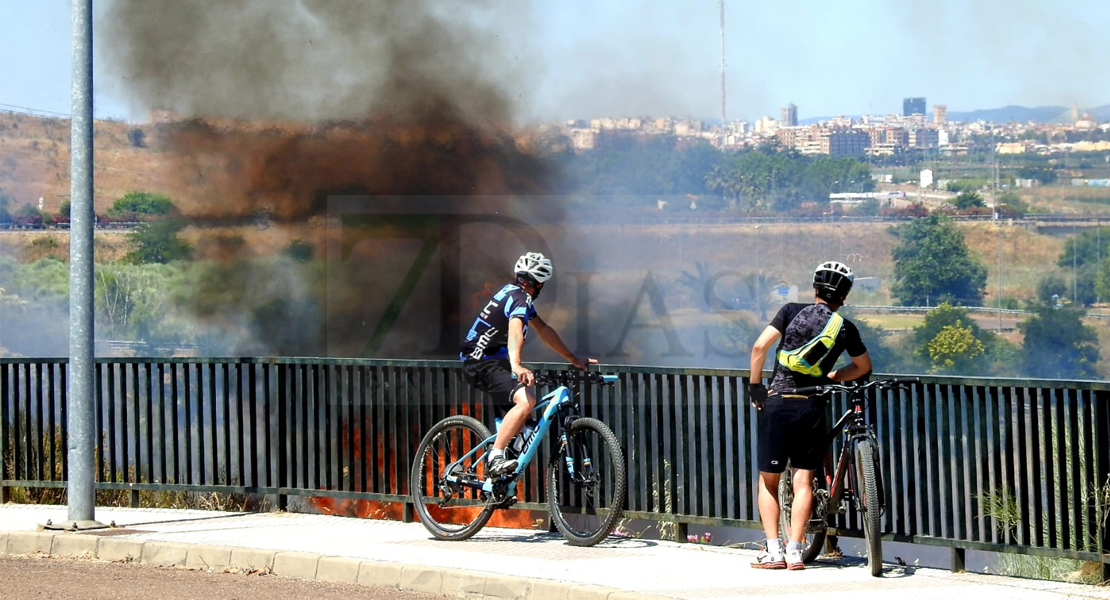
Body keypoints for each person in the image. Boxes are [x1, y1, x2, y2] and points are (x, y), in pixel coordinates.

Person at [747, 260, 872, 570]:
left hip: (779, 403)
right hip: (812, 407)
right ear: (843, 297)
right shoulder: (845, 327)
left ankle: (773, 551)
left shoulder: (790, 310)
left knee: (769, 482)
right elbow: (862, 367)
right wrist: (830, 377)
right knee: (803, 481)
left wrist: (755, 387)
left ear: (815, 289)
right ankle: (794, 551)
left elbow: (759, 347)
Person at [460, 251, 594, 476]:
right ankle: (495, 457)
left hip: (491, 362)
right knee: (527, 401)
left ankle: (500, 481)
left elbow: (543, 330)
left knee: (527, 423)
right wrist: (517, 365)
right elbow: (515, 331)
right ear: (539, 283)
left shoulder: (512, 293)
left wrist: (572, 358)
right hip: (482, 362)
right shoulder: (520, 299)